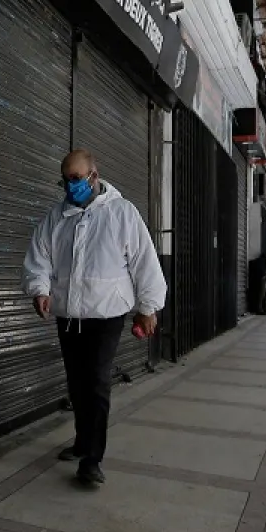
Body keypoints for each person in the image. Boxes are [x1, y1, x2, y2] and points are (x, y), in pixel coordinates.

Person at [23, 149, 166, 486]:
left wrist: (148, 308)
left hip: (107, 315)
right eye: (66, 180)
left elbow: (145, 261)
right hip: (69, 314)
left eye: (76, 179)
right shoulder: (56, 217)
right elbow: (39, 257)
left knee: (97, 382)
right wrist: (39, 289)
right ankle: (82, 440)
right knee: (77, 381)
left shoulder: (122, 213)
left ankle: (92, 459)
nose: (71, 187)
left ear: (93, 175)